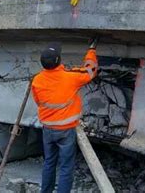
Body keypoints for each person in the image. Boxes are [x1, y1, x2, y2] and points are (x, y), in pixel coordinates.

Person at [31, 38, 98, 193]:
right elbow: (90, 70)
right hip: (66, 131)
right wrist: (91, 51)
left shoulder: (37, 80)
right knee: (66, 167)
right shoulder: (71, 77)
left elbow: (38, 102)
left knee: (49, 163)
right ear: (58, 60)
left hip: (47, 129)